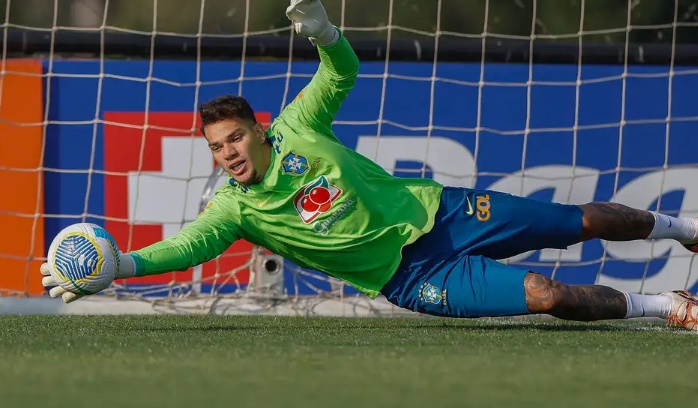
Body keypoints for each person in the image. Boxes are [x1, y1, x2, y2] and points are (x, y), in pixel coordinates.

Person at [41, 0, 698, 330]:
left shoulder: (299, 123)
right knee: (544, 295)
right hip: (411, 279)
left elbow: (342, 71)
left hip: (444, 214)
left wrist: (326, 32)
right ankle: (666, 304)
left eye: (235, 138)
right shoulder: (233, 210)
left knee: (578, 220)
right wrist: (121, 266)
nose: (227, 154)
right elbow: (183, 249)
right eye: (216, 148)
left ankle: (680, 227)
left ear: (260, 130)